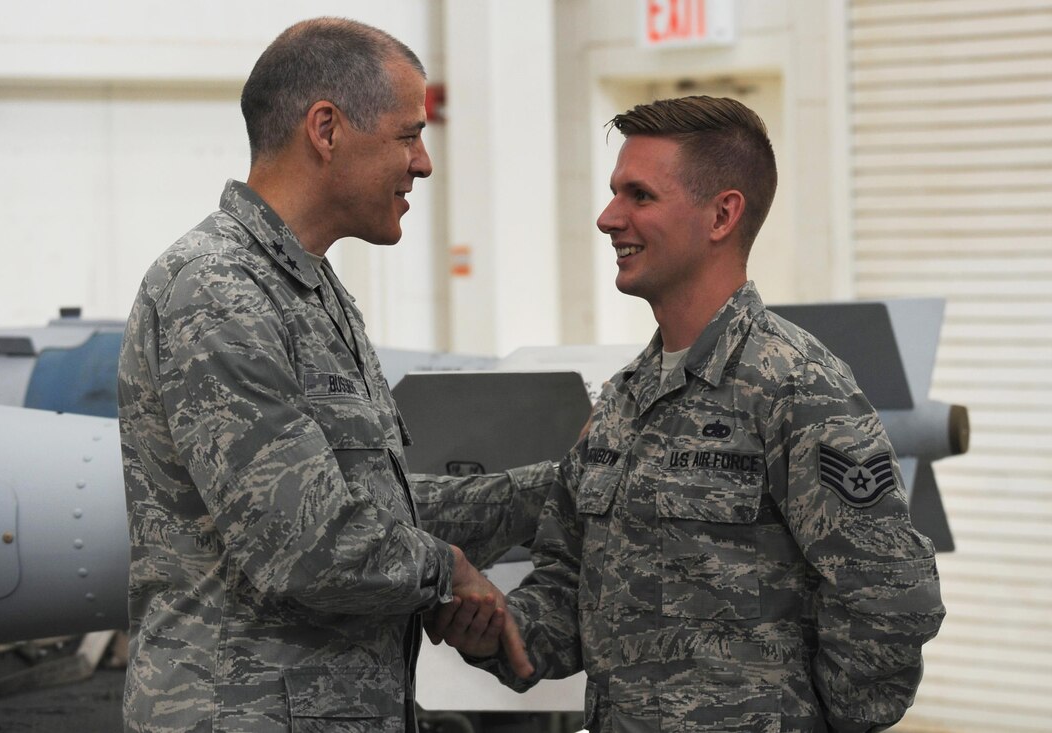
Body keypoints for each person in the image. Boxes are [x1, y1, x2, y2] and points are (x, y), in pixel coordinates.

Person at [429, 96, 946, 733]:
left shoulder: (794, 385)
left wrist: (821, 720)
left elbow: (890, 594)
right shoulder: (624, 400)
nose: (607, 218)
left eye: (639, 196)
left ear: (722, 215)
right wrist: (500, 631)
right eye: (614, 193)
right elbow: (570, 586)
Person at [118, 17, 539, 733]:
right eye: (408, 135)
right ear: (326, 128)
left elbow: (371, 508)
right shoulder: (218, 288)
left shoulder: (309, 291)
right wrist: (448, 570)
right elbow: (305, 541)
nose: (423, 163)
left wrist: (545, 494)